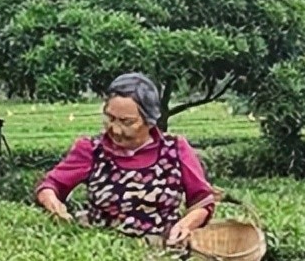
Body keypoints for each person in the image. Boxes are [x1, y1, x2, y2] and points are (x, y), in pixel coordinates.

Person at [35, 73, 224, 246]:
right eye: (110, 118)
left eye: (127, 122)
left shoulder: (175, 149)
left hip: (163, 252)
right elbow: (50, 185)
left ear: (150, 120)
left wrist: (186, 225)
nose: (116, 130)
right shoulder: (91, 150)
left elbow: (203, 200)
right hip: (103, 252)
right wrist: (52, 202)